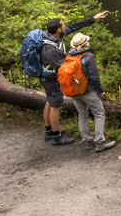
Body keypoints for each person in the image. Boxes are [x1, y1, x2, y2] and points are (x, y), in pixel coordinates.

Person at [38, 12, 108, 145]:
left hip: (48, 77)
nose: (66, 26)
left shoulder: (55, 36)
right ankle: (56, 136)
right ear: (59, 29)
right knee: (55, 106)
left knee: (49, 101)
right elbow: (63, 69)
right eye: (63, 24)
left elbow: (75, 27)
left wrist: (93, 18)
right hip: (50, 79)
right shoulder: (49, 48)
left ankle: (49, 131)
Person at [63, 32, 117, 153]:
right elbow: (94, 77)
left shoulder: (69, 56)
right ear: (85, 43)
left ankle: (87, 141)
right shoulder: (88, 57)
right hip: (87, 91)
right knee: (99, 113)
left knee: (82, 114)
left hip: (74, 92)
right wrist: (100, 91)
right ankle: (99, 142)